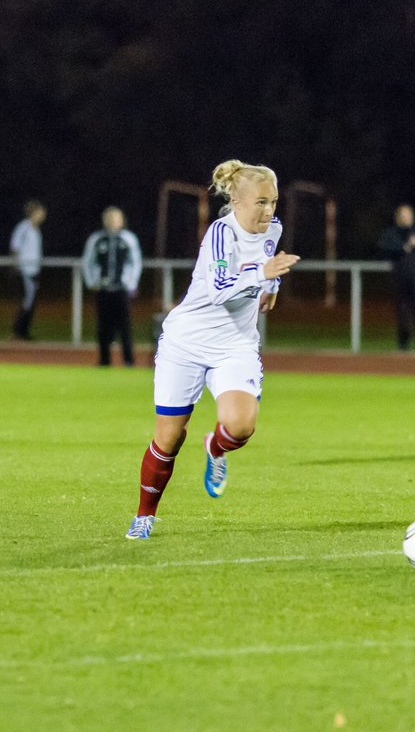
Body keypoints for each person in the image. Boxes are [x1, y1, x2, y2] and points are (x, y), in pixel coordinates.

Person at [125, 160, 299, 540]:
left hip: (235, 346)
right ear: (236, 201)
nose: (268, 211)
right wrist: (263, 276)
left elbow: (268, 265)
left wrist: (271, 289)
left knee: (240, 427)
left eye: (273, 202)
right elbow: (221, 288)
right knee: (168, 438)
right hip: (186, 343)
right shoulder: (221, 233)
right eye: (260, 202)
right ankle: (144, 515)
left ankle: (215, 448)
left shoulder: (274, 229)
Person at [80, 206, 143, 366]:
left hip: (121, 290)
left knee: (125, 326)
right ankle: (104, 360)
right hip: (103, 289)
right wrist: (92, 281)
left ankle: (128, 360)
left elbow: (135, 262)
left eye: (115, 219)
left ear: (121, 221)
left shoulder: (128, 239)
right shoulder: (96, 239)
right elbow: (88, 261)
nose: (112, 222)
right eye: (109, 218)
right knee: (103, 326)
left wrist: (131, 283)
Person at [377, 204, 415, 350]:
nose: (406, 219)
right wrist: (406, 247)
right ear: (398, 218)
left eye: (408, 215)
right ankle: (403, 345)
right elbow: (385, 248)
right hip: (399, 281)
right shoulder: (391, 234)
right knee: (402, 315)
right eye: (403, 216)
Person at [9, 199, 45, 340]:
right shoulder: (24, 227)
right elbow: (15, 247)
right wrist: (16, 266)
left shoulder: (36, 230)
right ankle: (18, 332)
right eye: (40, 212)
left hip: (34, 271)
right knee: (25, 302)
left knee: (30, 302)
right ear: (33, 213)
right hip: (24, 271)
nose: (43, 215)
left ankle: (24, 332)